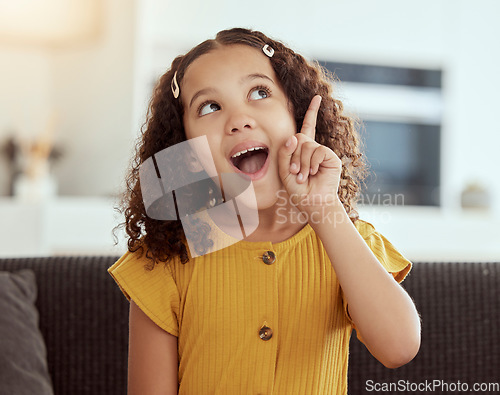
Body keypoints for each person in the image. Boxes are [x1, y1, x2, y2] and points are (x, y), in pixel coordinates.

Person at [109, 27, 421, 394]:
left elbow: (399, 348)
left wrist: (323, 208)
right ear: (186, 148)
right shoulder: (165, 258)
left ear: (298, 112)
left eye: (259, 92)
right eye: (210, 106)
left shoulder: (346, 238)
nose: (239, 119)